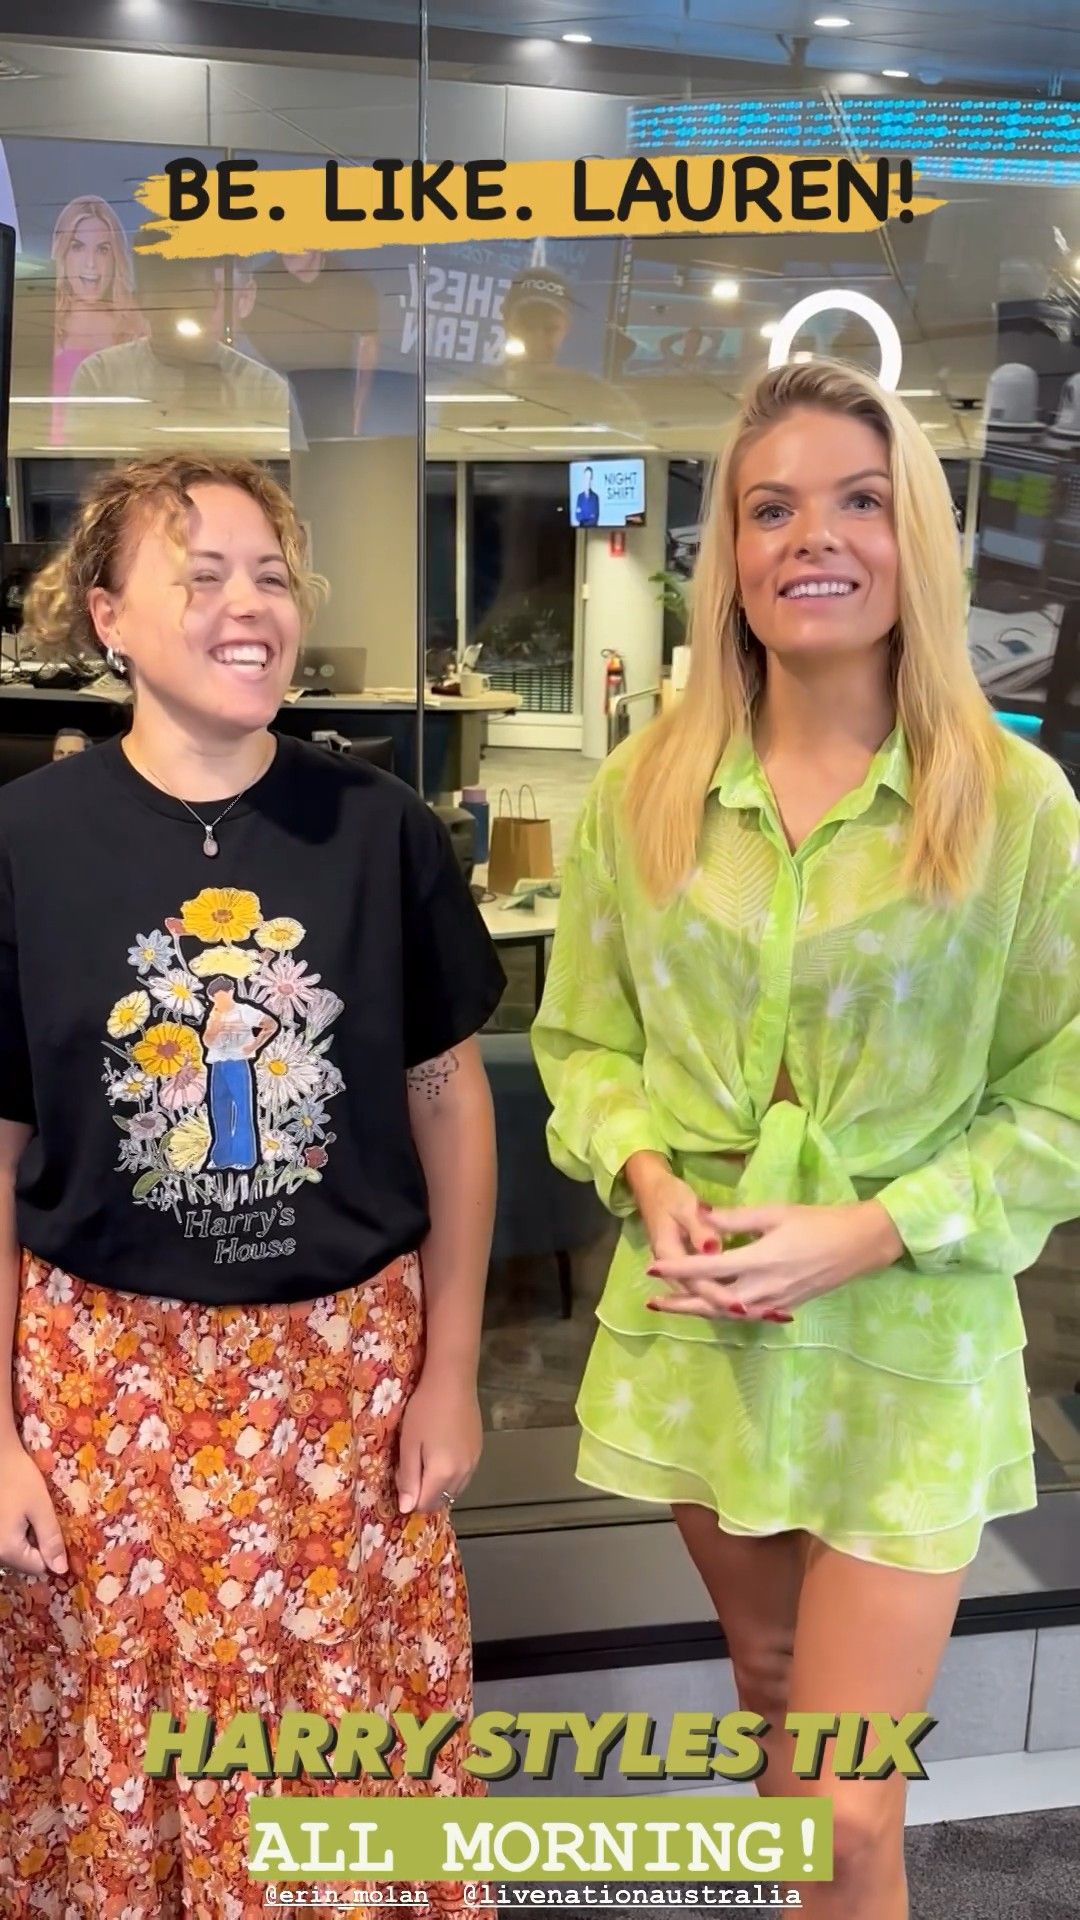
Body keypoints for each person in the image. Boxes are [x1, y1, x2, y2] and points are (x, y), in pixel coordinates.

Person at [532, 357, 1080, 1919]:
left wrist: (874, 1226)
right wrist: (646, 1171)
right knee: (775, 1703)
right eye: (770, 509)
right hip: (708, 1338)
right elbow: (584, 1044)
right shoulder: (643, 791)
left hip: (909, 1346)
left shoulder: (1015, 804)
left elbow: (1065, 1094)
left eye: (858, 501)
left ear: (917, 540)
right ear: (730, 551)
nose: (812, 538)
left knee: (845, 1807)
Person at [0, 452, 505, 1915]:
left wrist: (453, 1370)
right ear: (109, 618)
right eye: (203, 574)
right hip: (106, 1395)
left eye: (272, 576)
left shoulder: (381, 828)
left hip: (341, 1389)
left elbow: (448, 1100)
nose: (249, 605)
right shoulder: (24, 842)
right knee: (122, 1725)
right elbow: (4, 1143)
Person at [68, 253, 291, 455]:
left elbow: (278, 475)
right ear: (140, 301)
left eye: (191, 293)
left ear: (214, 297)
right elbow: (85, 473)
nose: (179, 307)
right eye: (165, 294)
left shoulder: (265, 388)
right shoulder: (100, 377)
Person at [49, 195, 148, 443]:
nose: (91, 264)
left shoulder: (139, 326)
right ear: (63, 254)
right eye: (78, 247)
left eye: (102, 250)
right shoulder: (41, 326)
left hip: (123, 458)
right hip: (48, 459)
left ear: (115, 257)